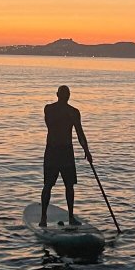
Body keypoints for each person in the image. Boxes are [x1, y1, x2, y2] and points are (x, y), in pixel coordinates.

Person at [40, 84, 92, 227]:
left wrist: (86, 151)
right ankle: (45, 218)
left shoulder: (67, 111)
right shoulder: (55, 110)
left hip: (62, 151)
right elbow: (51, 125)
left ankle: (66, 217)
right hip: (55, 151)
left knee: (65, 185)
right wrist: (86, 151)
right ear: (62, 95)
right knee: (51, 185)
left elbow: (79, 133)